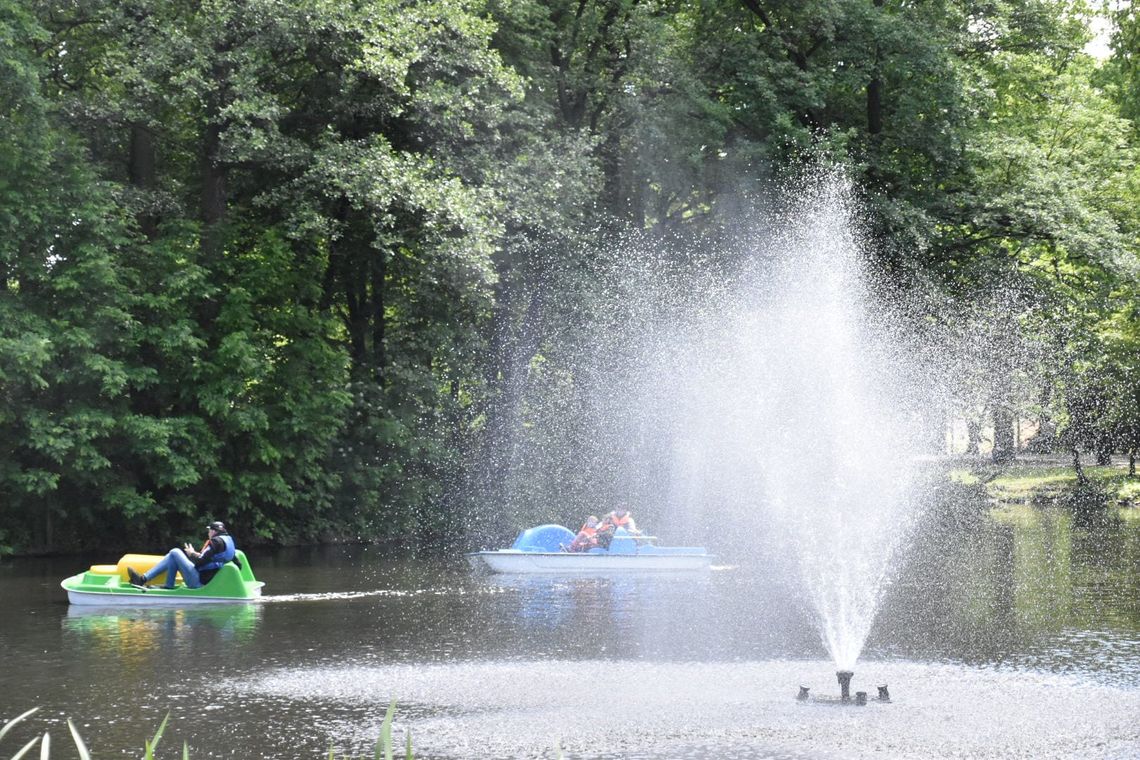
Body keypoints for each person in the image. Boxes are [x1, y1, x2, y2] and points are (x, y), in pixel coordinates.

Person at [128, 521, 237, 589]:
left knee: (175, 551)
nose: (208, 533)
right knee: (173, 555)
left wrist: (191, 554)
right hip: (208, 579)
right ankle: (162, 584)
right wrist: (195, 554)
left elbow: (200, 562)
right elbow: (214, 559)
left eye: (209, 531)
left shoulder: (215, 542)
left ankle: (142, 579)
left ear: (213, 532)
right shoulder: (226, 542)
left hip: (199, 582)